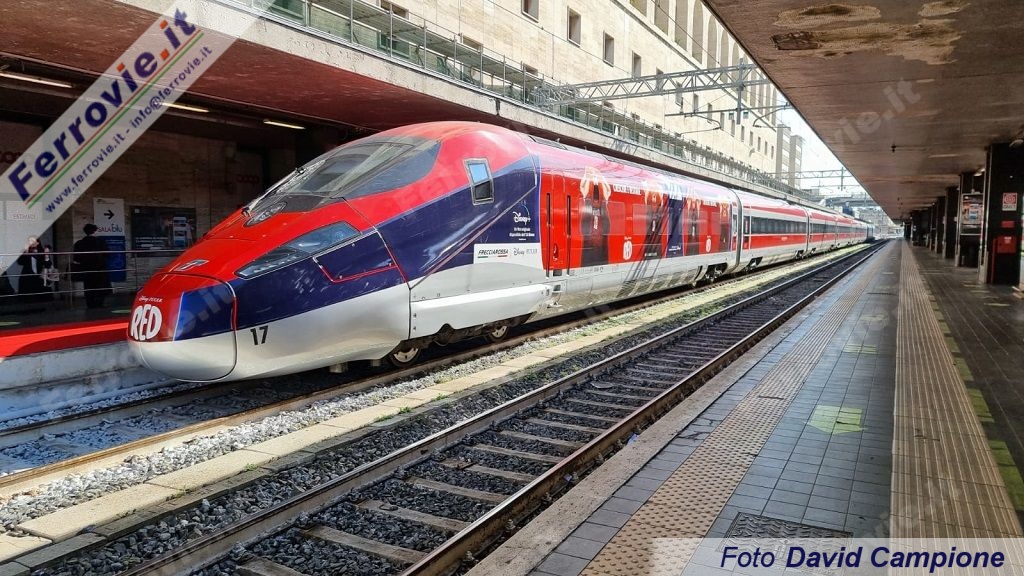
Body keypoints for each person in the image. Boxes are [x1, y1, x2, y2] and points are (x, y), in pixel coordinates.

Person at [72, 224, 112, 308]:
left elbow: (76, 258)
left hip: (86, 269)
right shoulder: (100, 242)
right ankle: (99, 304)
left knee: (88, 287)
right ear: (94, 231)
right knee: (100, 287)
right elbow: (107, 254)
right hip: (99, 268)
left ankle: (90, 304)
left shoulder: (80, 243)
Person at [16, 236, 49, 304]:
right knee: (27, 299)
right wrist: (26, 252)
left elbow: (48, 264)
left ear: (37, 242)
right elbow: (20, 262)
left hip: (39, 277)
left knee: (39, 299)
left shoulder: (42, 251)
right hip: (27, 277)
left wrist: (47, 256)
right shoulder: (26, 251)